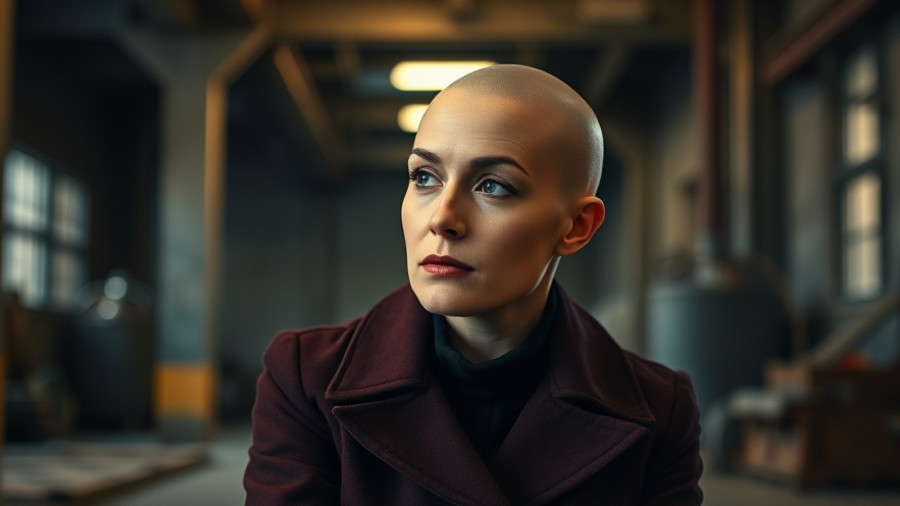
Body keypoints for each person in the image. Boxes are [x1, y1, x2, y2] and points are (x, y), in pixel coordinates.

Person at [244, 64, 703, 505]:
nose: (443, 218)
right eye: (425, 177)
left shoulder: (660, 412)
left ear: (576, 226)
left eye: (494, 186)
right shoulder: (305, 380)